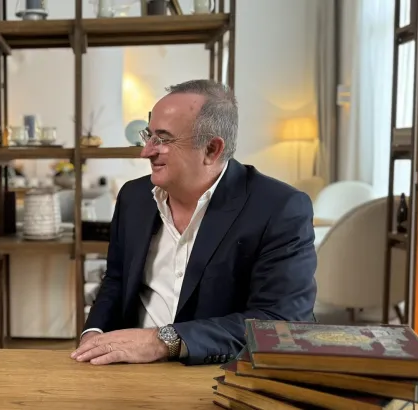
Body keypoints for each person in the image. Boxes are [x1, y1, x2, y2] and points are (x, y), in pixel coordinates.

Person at [71, 80, 317, 366]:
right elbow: (115, 279)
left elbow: (279, 323)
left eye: (162, 140)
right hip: (129, 372)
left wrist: (163, 341)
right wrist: (94, 333)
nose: (146, 152)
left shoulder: (279, 208)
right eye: (148, 136)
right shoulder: (133, 197)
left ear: (211, 149)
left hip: (220, 375)